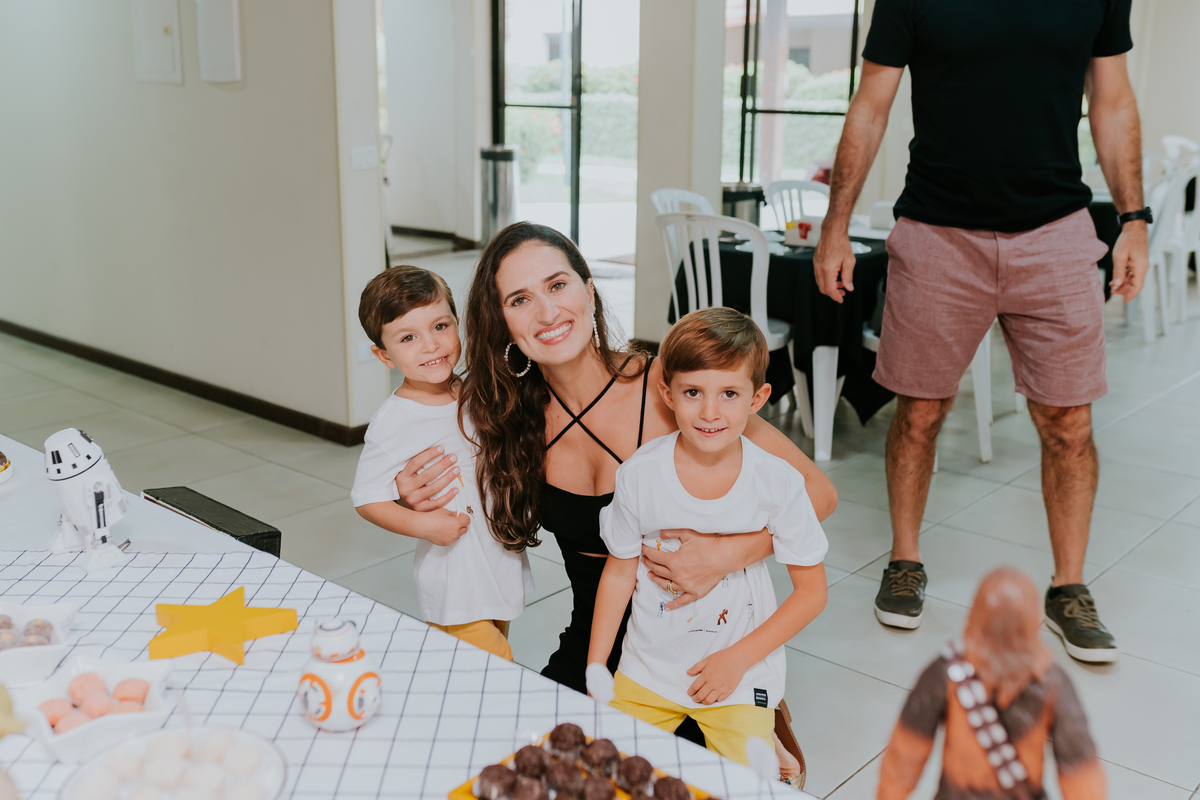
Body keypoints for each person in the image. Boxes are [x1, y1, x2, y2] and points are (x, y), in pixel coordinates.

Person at [392, 221, 836, 757]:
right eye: (520, 299)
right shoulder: (504, 419)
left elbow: (818, 492)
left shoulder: (676, 391)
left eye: (558, 286)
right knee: (523, 768)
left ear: (589, 288)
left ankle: (769, 730)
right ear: (503, 323)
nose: (547, 313)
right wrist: (408, 494)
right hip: (595, 647)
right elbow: (416, 436)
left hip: (697, 651)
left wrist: (729, 552)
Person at [813, 0, 1147, 662]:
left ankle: (1068, 586)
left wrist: (1134, 217)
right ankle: (904, 560)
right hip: (937, 233)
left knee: (1069, 425)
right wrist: (835, 223)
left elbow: (1112, 102)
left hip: (1054, 231)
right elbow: (871, 105)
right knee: (918, 415)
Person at [588, 307, 829, 768]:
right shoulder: (639, 475)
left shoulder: (778, 482)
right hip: (647, 669)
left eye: (730, 393)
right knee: (605, 774)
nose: (710, 412)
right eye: (693, 392)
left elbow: (812, 593)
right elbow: (619, 572)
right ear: (668, 393)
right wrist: (598, 666)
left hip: (738, 674)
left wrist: (736, 660)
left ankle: (769, 735)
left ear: (757, 399)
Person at [350, 266, 533, 661]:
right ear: (384, 356)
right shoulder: (395, 420)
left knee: (486, 660)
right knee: (494, 668)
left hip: (494, 558)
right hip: (455, 575)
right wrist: (424, 524)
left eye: (440, 326)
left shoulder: (471, 389)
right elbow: (367, 498)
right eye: (408, 337)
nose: (431, 345)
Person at [879, 567, 1105, 799]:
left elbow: (905, 755)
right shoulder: (1054, 682)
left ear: (976, 615)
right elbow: (1080, 769)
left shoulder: (946, 673)